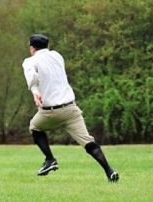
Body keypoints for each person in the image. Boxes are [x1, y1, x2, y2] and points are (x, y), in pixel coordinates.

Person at [22, 34, 119, 182]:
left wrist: (35, 93)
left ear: (32, 48)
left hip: (51, 112)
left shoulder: (30, 61)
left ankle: (50, 159)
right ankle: (109, 171)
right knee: (88, 142)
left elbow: (31, 77)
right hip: (71, 110)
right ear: (47, 46)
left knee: (34, 127)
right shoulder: (57, 56)